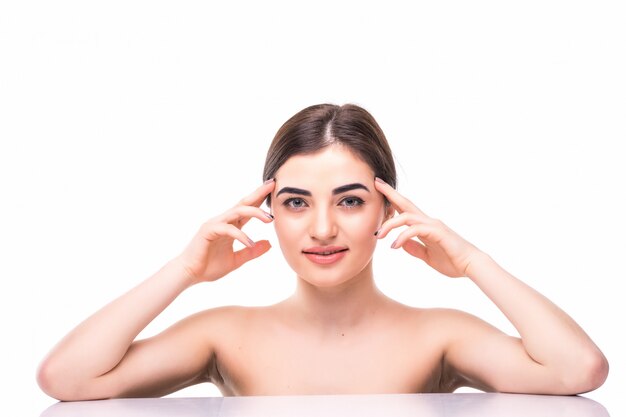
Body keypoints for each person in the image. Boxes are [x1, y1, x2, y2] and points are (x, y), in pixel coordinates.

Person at [37, 104, 608, 400]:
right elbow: (67, 379)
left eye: (351, 201)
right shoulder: (221, 333)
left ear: (388, 210)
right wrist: (185, 270)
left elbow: (578, 368)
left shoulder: (441, 335)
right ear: (268, 212)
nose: (322, 228)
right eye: (295, 203)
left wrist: (471, 262)